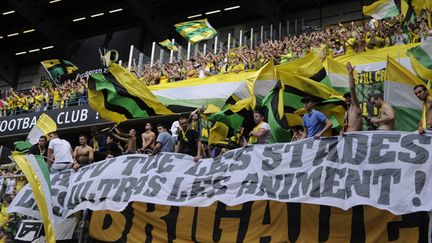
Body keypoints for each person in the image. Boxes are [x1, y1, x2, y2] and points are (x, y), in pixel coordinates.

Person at [341, 62, 362, 134]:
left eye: (349, 97)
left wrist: (350, 73)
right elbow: (345, 126)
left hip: (354, 138)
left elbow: (352, 88)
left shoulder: (355, 107)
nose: (347, 98)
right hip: (347, 139)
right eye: (346, 97)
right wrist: (342, 131)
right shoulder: (347, 112)